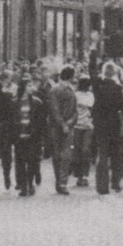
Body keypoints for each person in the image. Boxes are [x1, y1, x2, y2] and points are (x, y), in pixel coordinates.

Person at [88, 48, 123, 195]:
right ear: (114, 73)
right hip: (114, 123)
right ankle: (115, 182)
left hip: (99, 123)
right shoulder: (117, 88)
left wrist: (93, 55)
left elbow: (91, 71)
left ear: (103, 71)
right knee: (116, 154)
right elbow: (122, 106)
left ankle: (102, 187)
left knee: (102, 154)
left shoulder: (97, 84)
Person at [48, 66, 78, 195]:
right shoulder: (57, 90)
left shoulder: (68, 89)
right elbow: (54, 110)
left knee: (65, 155)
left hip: (64, 125)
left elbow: (74, 110)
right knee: (58, 155)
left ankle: (62, 182)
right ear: (71, 77)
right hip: (57, 126)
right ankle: (60, 181)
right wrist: (64, 124)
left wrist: (70, 123)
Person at [13, 76, 44, 197]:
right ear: (23, 88)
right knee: (20, 162)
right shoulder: (15, 102)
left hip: (33, 136)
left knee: (31, 161)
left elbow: (41, 121)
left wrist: (40, 136)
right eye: (29, 85)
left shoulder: (37, 102)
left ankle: (30, 183)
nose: (32, 87)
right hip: (19, 136)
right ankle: (23, 186)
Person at [73, 77, 94, 187]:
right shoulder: (75, 95)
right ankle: (79, 175)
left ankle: (85, 175)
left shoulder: (91, 95)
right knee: (77, 150)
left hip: (88, 126)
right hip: (77, 126)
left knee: (86, 150)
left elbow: (92, 107)